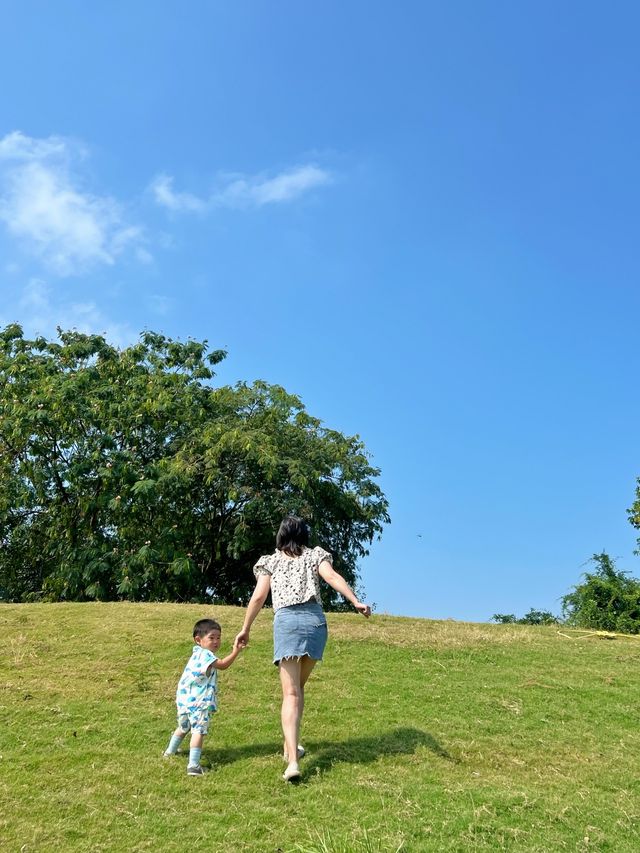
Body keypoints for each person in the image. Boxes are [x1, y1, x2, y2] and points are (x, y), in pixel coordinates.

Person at [235, 515, 371, 782]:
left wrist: (246, 628)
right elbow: (331, 576)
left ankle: (293, 762)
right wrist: (354, 600)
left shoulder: (270, 561)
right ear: (304, 534)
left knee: (291, 693)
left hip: (287, 622)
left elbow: (259, 596)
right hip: (315, 623)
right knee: (297, 689)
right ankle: (291, 746)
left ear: (281, 535)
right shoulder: (315, 555)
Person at [164, 618, 243, 776]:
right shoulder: (207, 655)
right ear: (198, 640)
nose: (216, 641)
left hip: (184, 700)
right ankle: (193, 766)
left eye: (218, 637)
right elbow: (222, 665)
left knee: (183, 727)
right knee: (198, 731)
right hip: (199, 702)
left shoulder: (196, 653)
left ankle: (169, 752)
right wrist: (236, 651)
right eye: (211, 637)